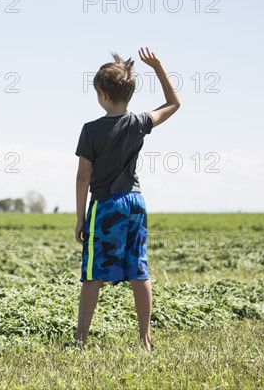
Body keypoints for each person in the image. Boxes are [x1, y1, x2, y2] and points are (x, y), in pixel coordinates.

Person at [71, 48, 181, 352]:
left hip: (106, 206)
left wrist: (81, 217)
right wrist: (158, 67)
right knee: (138, 270)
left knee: (93, 274)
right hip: (136, 203)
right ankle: (145, 339)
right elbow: (174, 103)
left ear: (103, 94)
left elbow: (83, 176)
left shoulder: (90, 130)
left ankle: (81, 338)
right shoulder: (139, 123)